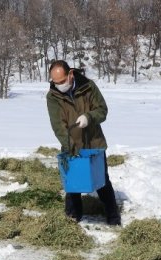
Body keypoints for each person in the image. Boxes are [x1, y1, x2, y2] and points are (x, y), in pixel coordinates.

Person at [46, 60, 121, 226]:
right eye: (55, 82)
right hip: (71, 144)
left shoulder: (88, 87)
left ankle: (113, 217)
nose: (59, 85)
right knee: (72, 183)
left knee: (102, 180)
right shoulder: (52, 97)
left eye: (62, 81)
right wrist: (70, 147)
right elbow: (58, 125)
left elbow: (102, 110)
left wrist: (89, 117)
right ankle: (73, 218)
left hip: (94, 142)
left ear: (71, 74)